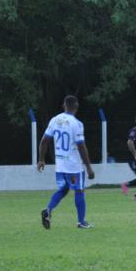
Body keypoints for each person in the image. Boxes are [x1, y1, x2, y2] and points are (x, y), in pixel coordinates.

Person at [38, 95, 96, 229]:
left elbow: (44, 141)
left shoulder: (54, 120)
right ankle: (81, 222)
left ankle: (48, 210)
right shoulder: (77, 123)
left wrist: (41, 159)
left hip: (60, 166)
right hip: (73, 167)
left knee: (64, 189)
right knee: (79, 191)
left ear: (64, 105)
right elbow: (81, 146)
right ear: (76, 107)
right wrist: (88, 168)